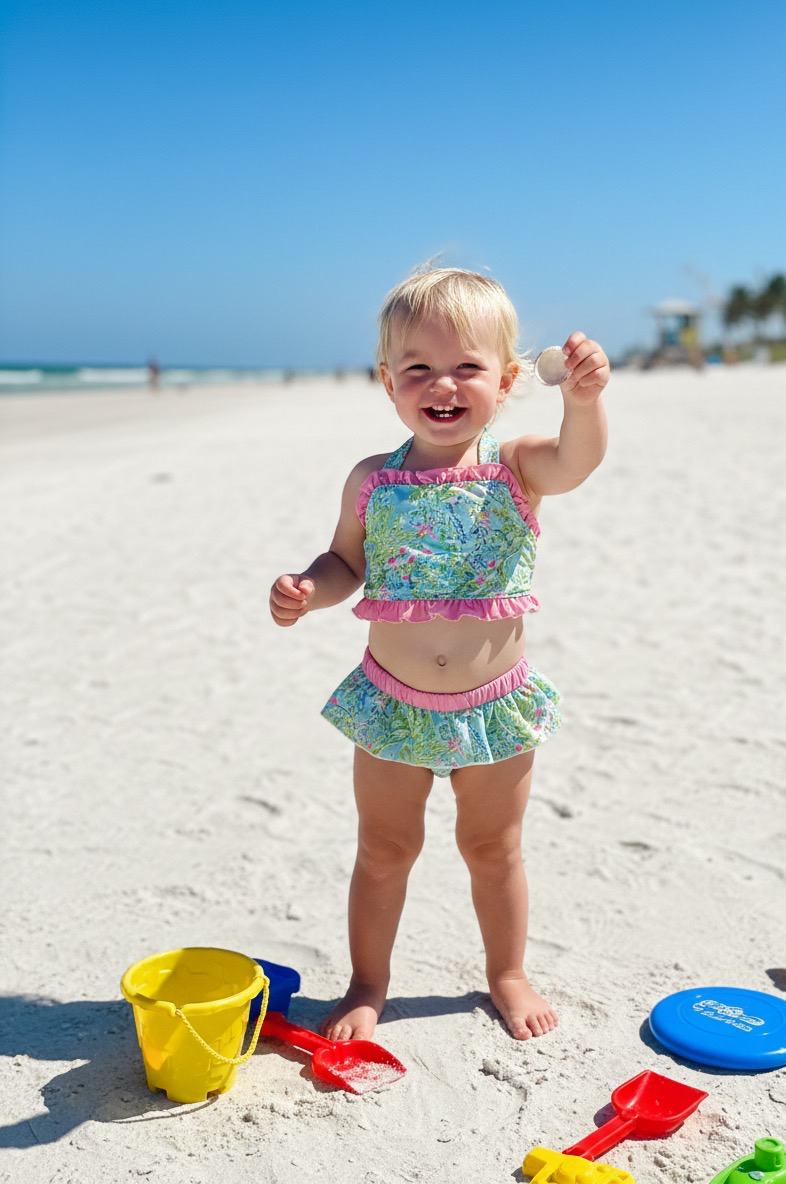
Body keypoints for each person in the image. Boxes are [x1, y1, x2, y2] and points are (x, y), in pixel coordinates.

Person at [270, 267, 609, 1042]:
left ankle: (507, 973)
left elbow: (578, 461)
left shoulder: (517, 465)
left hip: (494, 707)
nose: (442, 384)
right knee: (384, 849)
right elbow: (345, 564)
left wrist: (584, 404)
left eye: (467, 367)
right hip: (391, 701)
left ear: (508, 378)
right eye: (417, 368)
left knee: (493, 848)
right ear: (388, 381)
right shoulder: (372, 480)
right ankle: (367, 983)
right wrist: (305, 589)